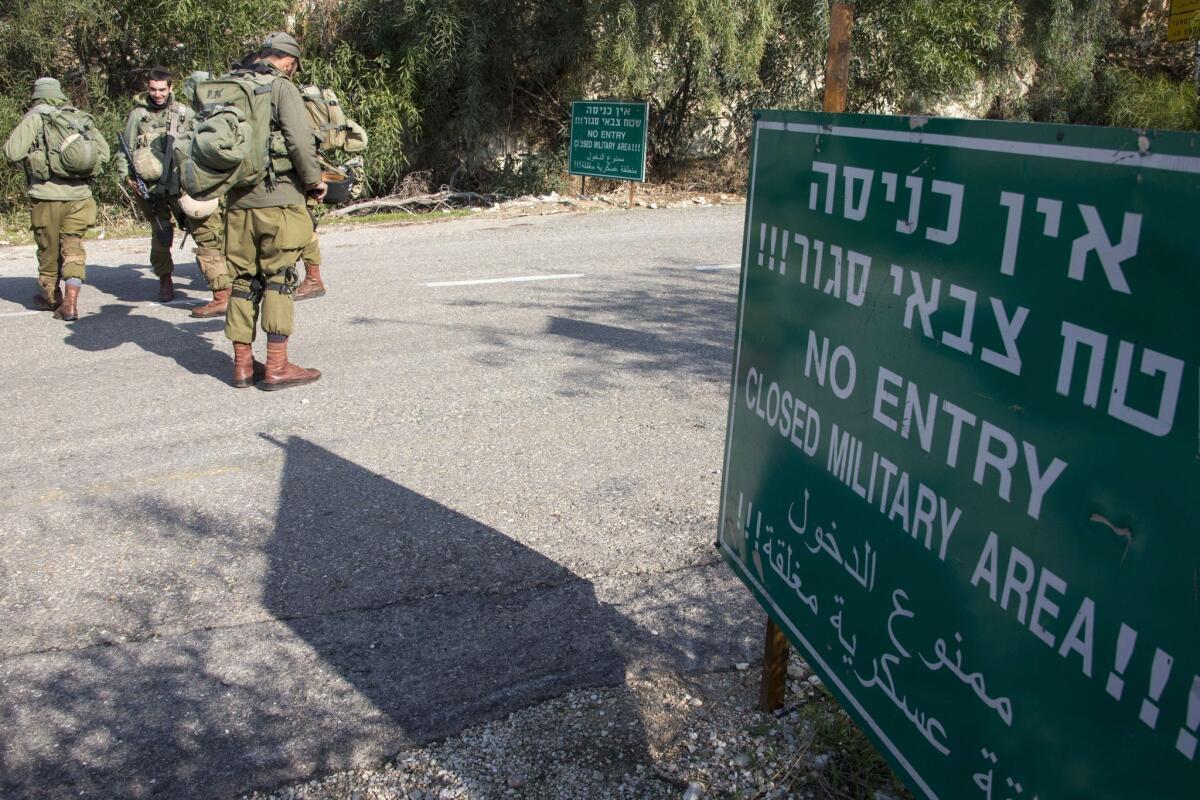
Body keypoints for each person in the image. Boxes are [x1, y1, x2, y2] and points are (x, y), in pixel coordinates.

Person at [222, 32, 326, 390]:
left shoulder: (230, 85)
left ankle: (242, 367)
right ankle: (278, 366)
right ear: (289, 61)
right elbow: (299, 141)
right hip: (278, 198)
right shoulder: (281, 87)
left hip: (236, 202)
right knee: (279, 279)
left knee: (241, 282)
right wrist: (315, 181)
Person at [3, 77, 109, 321]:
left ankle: (51, 299)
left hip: (46, 196)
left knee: (48, 250)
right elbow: (104, 152)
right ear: (60, 95)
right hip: (81, 196)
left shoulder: (36, 117)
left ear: (37, 95)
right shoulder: (78, 118)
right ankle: (71, 303)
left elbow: (12, 152)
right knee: (73, 247)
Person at [118, 66, 197, 301]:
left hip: (180, 185)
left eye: (162, 89)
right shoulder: (138, 116)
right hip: (151, 188)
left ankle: (217, 283)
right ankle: (165, 280)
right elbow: (125, 150)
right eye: (153, 89)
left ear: (170, 88)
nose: (157, 94)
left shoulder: (184, 113)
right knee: (161, 233)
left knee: (202, 230)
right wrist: (127, 177)